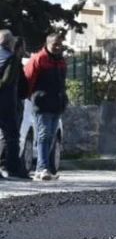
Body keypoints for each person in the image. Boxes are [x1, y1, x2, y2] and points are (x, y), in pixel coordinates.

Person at [24, 31, 68, 181]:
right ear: (47, 44)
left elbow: (62, 82)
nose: (57, 47)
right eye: (54, 44)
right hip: (42, 104)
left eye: (59, 44)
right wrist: (31, 98)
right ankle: (42, 168)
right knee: (43, 135)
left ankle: (44, 168)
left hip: (56, 104)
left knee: (50, 136)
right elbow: (28, 79)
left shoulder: (61, 61)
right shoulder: (39, 59)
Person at [0, 30, 30, 180]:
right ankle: (13, 168)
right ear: (9, 42)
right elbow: (6, 81)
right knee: (11, 137)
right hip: (6, 103)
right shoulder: (11, 58)